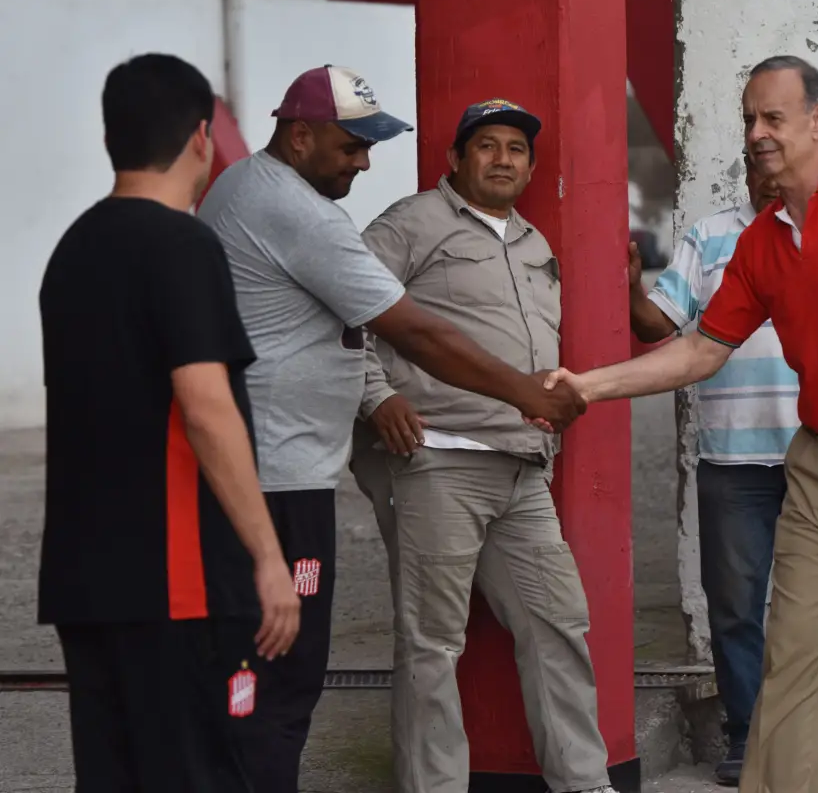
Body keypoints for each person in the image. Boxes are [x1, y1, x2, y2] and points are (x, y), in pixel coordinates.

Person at [544, 55, 818, 793]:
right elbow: (699, 350)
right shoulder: (760, 242)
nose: (756, 132)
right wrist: (586, 386)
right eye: (749, 118)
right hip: (817, 467)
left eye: (772, 118)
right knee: (791, 669)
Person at [197, 71, 585, 792]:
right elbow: (405, 330)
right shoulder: (318, 215)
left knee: (261, 663)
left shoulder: (247, 188)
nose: (364, 163)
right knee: (286, 665)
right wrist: (505, 394)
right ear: (300, 136)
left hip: (325, 466)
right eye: (351, 147)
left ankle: (585, 781)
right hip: (306, 472)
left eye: (516, 149)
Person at [37, 53, 300, 792]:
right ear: (200, 138)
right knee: (197, 771)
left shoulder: (73, 250)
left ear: (110, 138)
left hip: (88, 581)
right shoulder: (182, 245)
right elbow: (207, 407)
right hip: (177, 582)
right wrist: (268, 556)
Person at [348, 98, 615, 793]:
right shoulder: (412, 224)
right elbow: (343, 313)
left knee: (558, 624)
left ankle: (585, 784)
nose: (502, 159)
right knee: (432, 642)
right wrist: (377, 397)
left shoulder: (534, 243)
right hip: (438, 460)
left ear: (530, 166)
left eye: (516, 149)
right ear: (456, 159)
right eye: (487, 145)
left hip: (523, 469)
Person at [628, 150, 818, 786]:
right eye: (759, 164)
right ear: (746, 169)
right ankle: (747, 735)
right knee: (736, 606)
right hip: (732, 460)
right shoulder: (709, 237)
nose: (771, 177)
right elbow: (658, 323)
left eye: (781, 163)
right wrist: (629, 287)